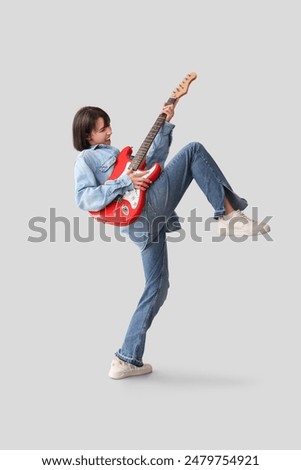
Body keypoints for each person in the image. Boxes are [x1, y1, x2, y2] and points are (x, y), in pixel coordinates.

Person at [72, 102, 270, 380]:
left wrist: (164, 126)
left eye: (108, 126)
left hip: (148, 224)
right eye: (103, 129)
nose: (110, 131)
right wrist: (124, 182)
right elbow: (84, 198)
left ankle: (126, 358)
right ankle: (227, 216)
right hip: (142, 215)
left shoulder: (118, 154)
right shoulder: (86, 160)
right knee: (193, 151)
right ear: (87, 136)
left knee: (158, 287)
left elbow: (155, 167)